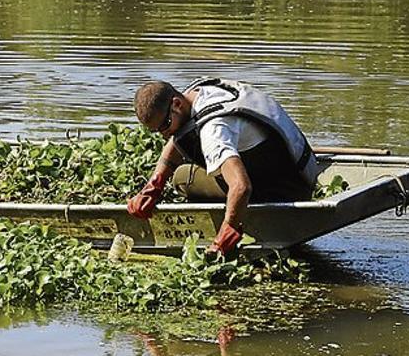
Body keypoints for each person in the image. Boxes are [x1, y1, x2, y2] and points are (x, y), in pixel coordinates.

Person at [127, 78, 318, 255]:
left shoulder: (213, 131)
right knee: (185, 143)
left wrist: (228, 229)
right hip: (300, 170)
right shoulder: (200, 92)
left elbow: (242, 187)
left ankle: (227, 214)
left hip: (286, 190)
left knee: (183, 178)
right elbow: (177, 138)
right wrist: (154, 186)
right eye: (156, 131)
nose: (164, 135)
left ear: (176, 104)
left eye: (165, 126)